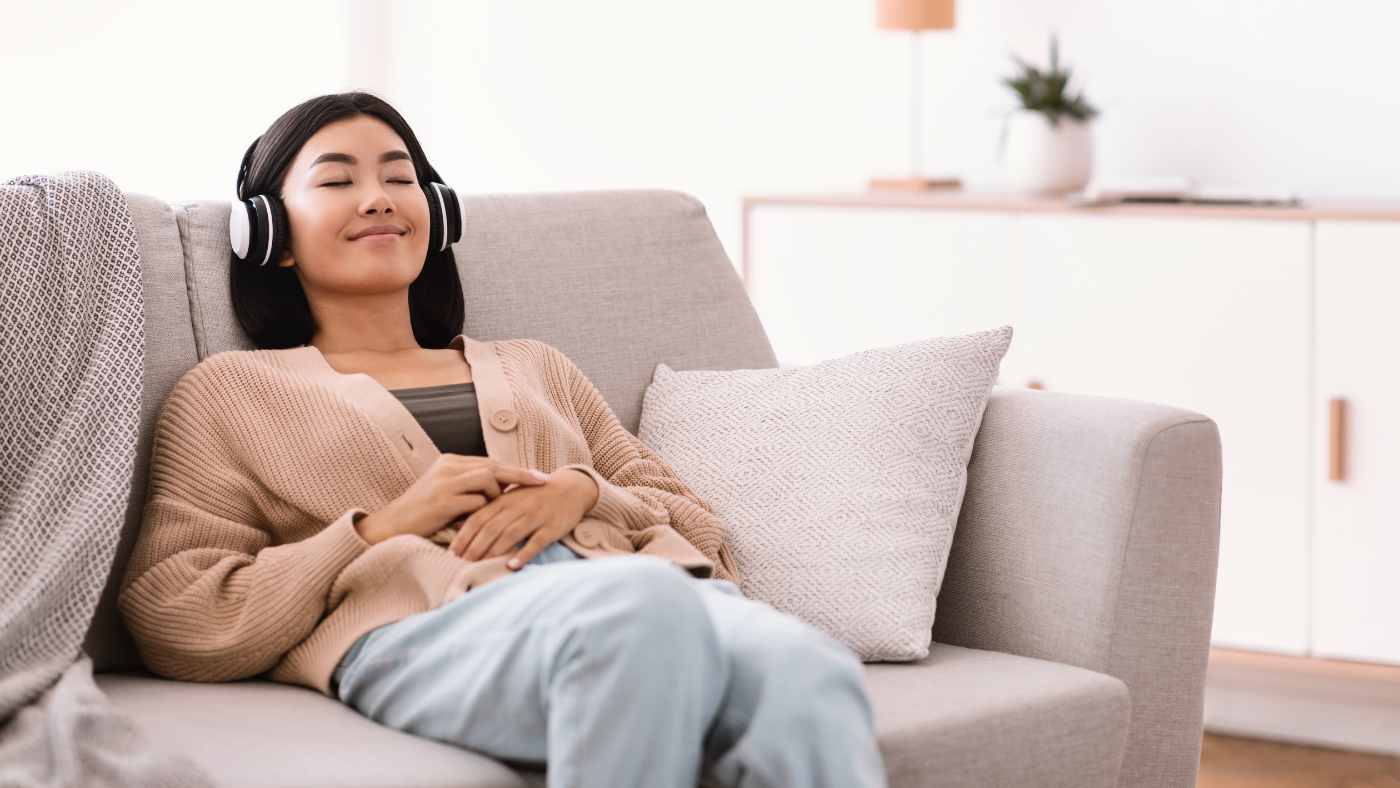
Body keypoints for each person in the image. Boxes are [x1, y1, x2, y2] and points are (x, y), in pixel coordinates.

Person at [119, 91, 888, 788]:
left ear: (438, 211)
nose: (380, 198)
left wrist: (582, 491)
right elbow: (176, 612)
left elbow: (698, 526)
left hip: (641, 596)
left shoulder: (535, 366)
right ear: (271, 234)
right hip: (426, 630)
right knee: (641, 611)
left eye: (399, 176)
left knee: (806, 667)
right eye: (338, 180)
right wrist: (380, 529)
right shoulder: (230, 393)